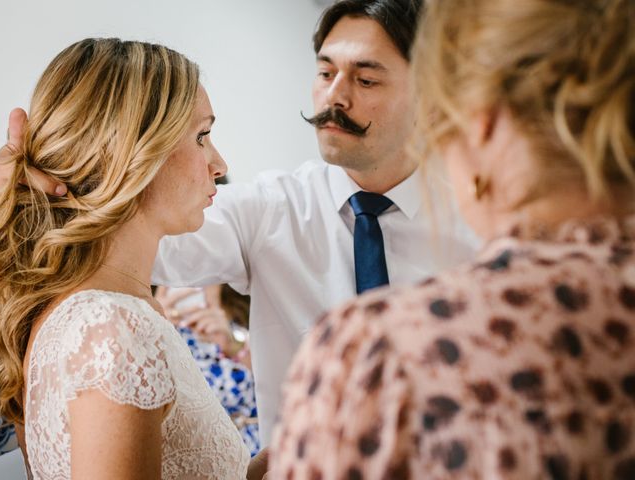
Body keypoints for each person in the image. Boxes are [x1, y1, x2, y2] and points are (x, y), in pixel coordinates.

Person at [0, 0, 475, 445]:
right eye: (325, 72)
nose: (334, 96)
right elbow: (117, 232)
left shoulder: (488, 226)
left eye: (365, 80)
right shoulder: (265, 212)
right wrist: (29, 194)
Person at [269, 0, 635, 478]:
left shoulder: (381, 355)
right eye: (326, 73)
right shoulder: (281, 202)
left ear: (481, 123)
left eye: (367, 79)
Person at [0, 38, 261, 478]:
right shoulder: (112, 328)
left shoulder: (79, 315)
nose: (219, 163)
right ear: (133, 153)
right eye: (202, 136)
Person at [156, 286, 260, 455]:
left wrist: (233, 346)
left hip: (259, 452)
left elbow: (285, 387)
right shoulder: (149, 325)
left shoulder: (250, 311)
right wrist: (151, 328)